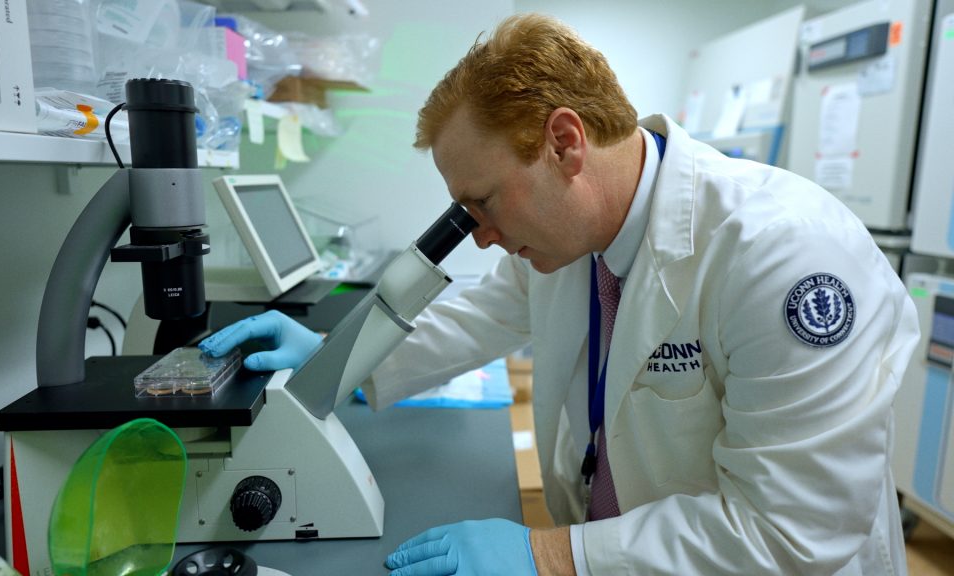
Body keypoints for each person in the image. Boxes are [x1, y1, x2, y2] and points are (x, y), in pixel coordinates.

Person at [200, 13, 920, 576]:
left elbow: (790, 530)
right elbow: (474, 319)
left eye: (481, 204)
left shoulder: (783, 258)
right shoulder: (574, 239)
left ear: (565, 144)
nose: (478, 235)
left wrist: (550, 557)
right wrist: (336, 359)